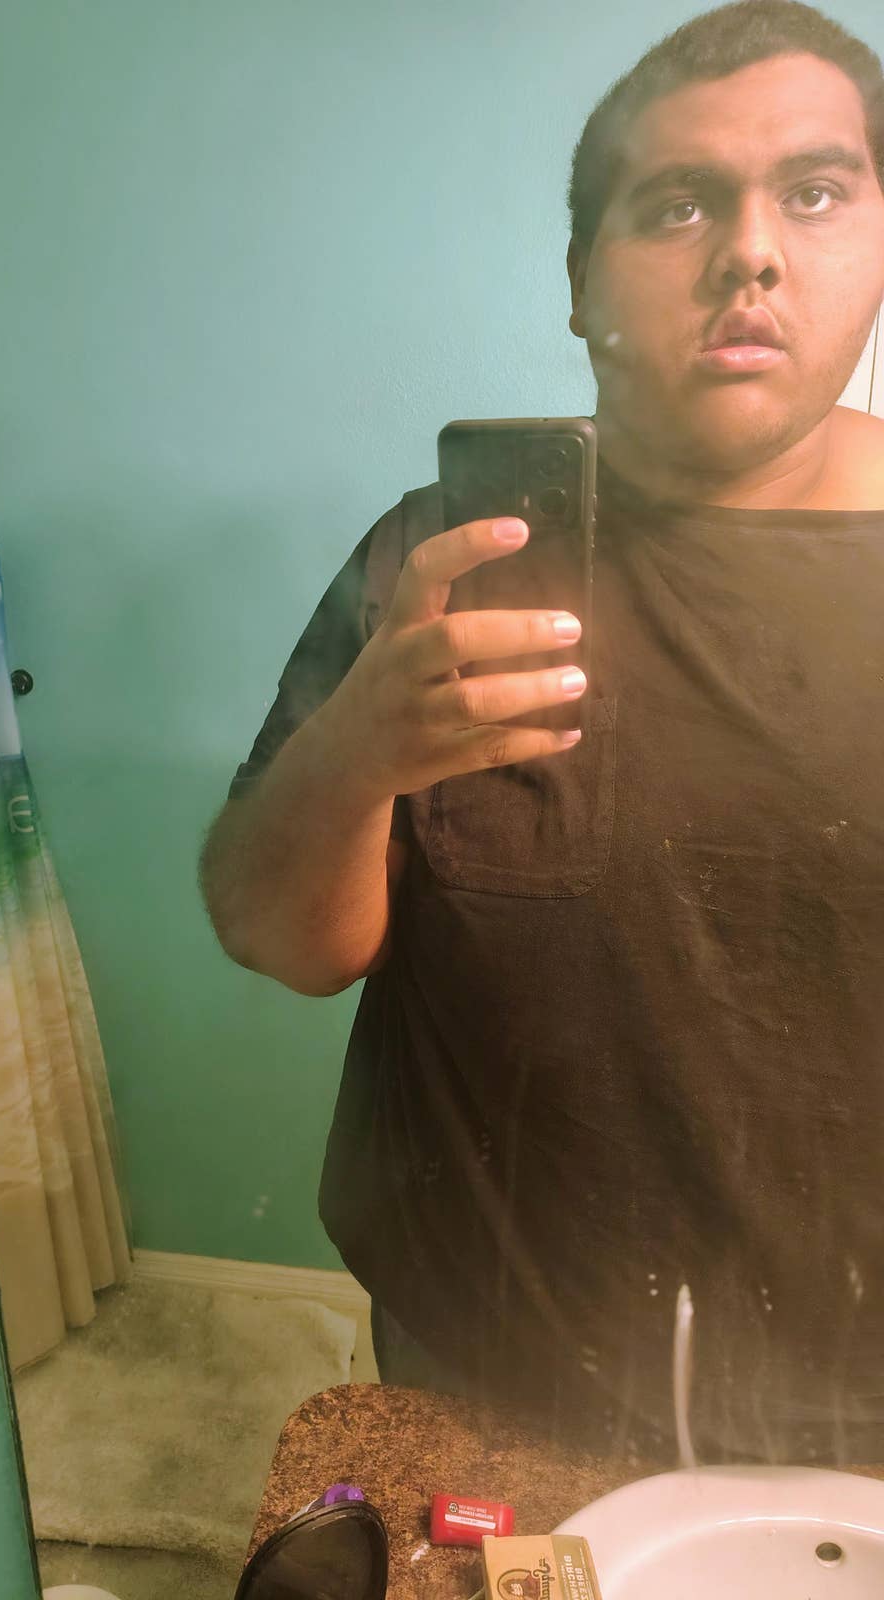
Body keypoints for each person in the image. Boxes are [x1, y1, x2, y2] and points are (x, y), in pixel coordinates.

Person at [200, 0, 884, 1467]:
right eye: (679, 203)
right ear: (582, 283)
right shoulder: (439, 559)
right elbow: (278, 935)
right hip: (476, 1359)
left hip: (856, 1397)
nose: (750, 253)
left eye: (816, 193)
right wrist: (357, 752)